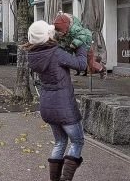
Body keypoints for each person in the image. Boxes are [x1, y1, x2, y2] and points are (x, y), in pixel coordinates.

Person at [26, 20, 87, 181]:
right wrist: (81, 43)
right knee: (78, 141)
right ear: (47, 36)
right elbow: (81, 64)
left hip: (48, 105)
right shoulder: (56, 53)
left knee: (60, 142)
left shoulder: (33, 54)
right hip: (64, 106)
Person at [53, 13, 106, 78]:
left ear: (66, 28)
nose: (59, 33)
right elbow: (64, 43)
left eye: (60, 31)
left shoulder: (74, 28)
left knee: (91, 64)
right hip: (74, 47)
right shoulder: (62, 33)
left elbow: (83, 35)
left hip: (86, 45)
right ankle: (95, 59)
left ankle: (102, 69)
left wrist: (74, 43)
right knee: (73, 61)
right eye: (57, 31)